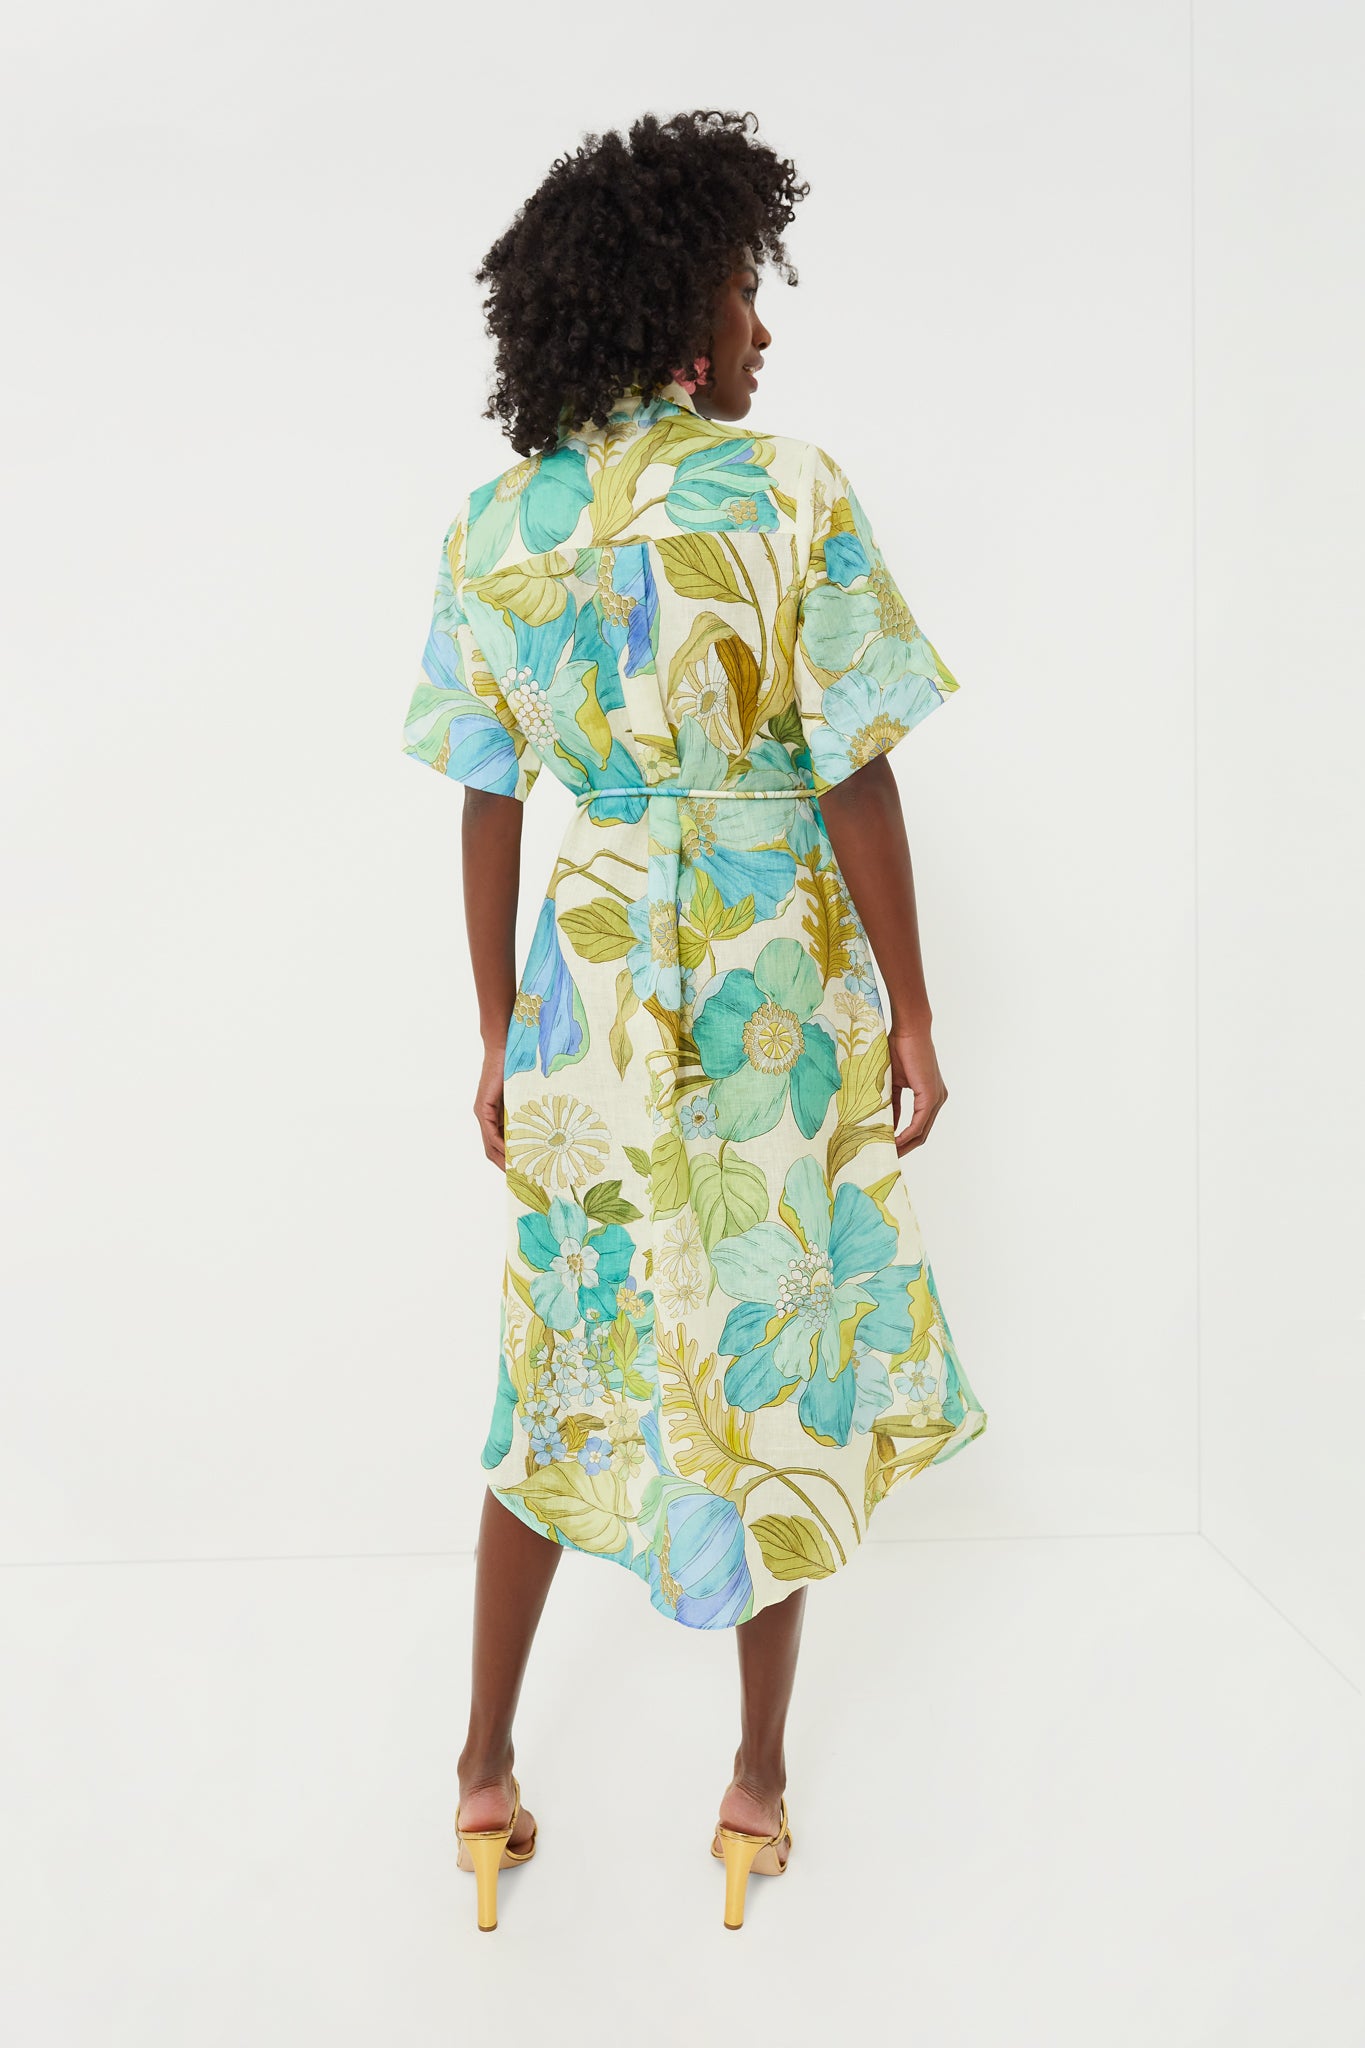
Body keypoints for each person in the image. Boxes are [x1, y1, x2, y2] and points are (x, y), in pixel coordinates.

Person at [400, 108, 988, 1932]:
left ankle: (481, 1773)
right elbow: (852, 771)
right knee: (763, 1350)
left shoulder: (495, 525)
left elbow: (485, 797)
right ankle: (755, 1787)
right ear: (677, 309)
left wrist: (494, 1031)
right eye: (743, 290)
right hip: (761, 990)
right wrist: (910, 1012)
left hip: (578, 993)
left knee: (562, 1356)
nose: (762, 327)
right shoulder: (788, 490)